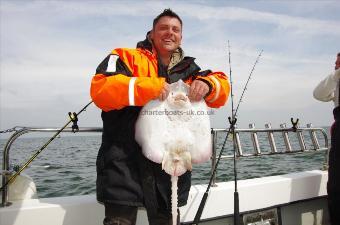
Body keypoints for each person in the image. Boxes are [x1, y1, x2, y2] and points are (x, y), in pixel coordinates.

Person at [90, 9, 230, 225]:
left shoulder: (190, 70)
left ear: (181, 37)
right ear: (151, 34)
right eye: (163, 28)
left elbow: (222, 88)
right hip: (123, 164)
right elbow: (100, 90)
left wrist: (209, 85)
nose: (169, 33)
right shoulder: (124, 56)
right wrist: (150, 87)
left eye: (175, 29)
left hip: (171, 167)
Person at [313, 52, 340, 224]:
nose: (335, 64)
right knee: (336, 188)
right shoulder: (335, 81)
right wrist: (337, 74)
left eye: (338, 62)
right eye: (337, 62)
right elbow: (318, 93)